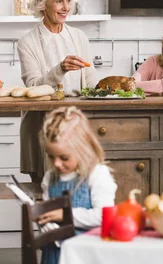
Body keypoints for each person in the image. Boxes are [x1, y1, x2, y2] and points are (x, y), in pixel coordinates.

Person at [17, 0, 98, 182]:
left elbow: (91, 83)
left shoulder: (79, 37)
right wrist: (60, 69)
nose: (66, 7)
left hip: (74, 124)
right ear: (43, 4)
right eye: (59, 1)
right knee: (44, 192)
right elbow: (33, 87)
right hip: (40, 125)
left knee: (78, 190)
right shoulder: (27, 42)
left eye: (69, 0)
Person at [37, 106, 117, 264]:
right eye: (51, 157)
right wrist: (45, 222)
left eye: (64, 157)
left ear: (82, 149)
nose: (57, 163)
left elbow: (104, 216)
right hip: (54, 254)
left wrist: (65, 215)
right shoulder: (50, 178)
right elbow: (48, 215)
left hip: (86, 255)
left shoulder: (97, 174)